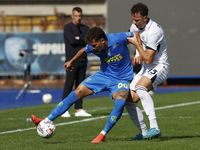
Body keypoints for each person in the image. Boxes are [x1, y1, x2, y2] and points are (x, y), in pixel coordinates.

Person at [31, 26, 136, 143]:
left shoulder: (118, 37)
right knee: (77, 92)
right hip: (103, 76)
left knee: (120, 102)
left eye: (94, 45)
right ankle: (46, 120)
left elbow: (136, 35)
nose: (92, 48)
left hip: (121, 79)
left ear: (102, 40)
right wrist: (71, 61)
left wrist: (139, 53)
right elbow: (83, 51)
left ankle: (103, 135)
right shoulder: (93, 47)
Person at [125, 2, 169, 140]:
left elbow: (149, 59)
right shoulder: (135, 25)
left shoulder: (154, 31)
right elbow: (134, 37)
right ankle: (143, 132)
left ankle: (155, 127)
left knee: (140, 87)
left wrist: (138, 47)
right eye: (133, 19)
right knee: (128, 99)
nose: (134, 23)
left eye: (137, 20)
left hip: (160, 66)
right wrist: (138, 54)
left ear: (145, 17)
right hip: (146, 68)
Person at [61, 6, 91, 117]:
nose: (78, 18)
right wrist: (80, 39)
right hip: (71, 60)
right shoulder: (67, 27)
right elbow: (73, 41)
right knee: (69, 84)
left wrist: (80, 38)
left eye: (80, 16)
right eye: (76, 16)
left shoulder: (85, 28)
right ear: (72, 16)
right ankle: (64, 109)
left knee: (80, 85)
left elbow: (87, 41)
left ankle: (79, 108)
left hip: (83, 59)